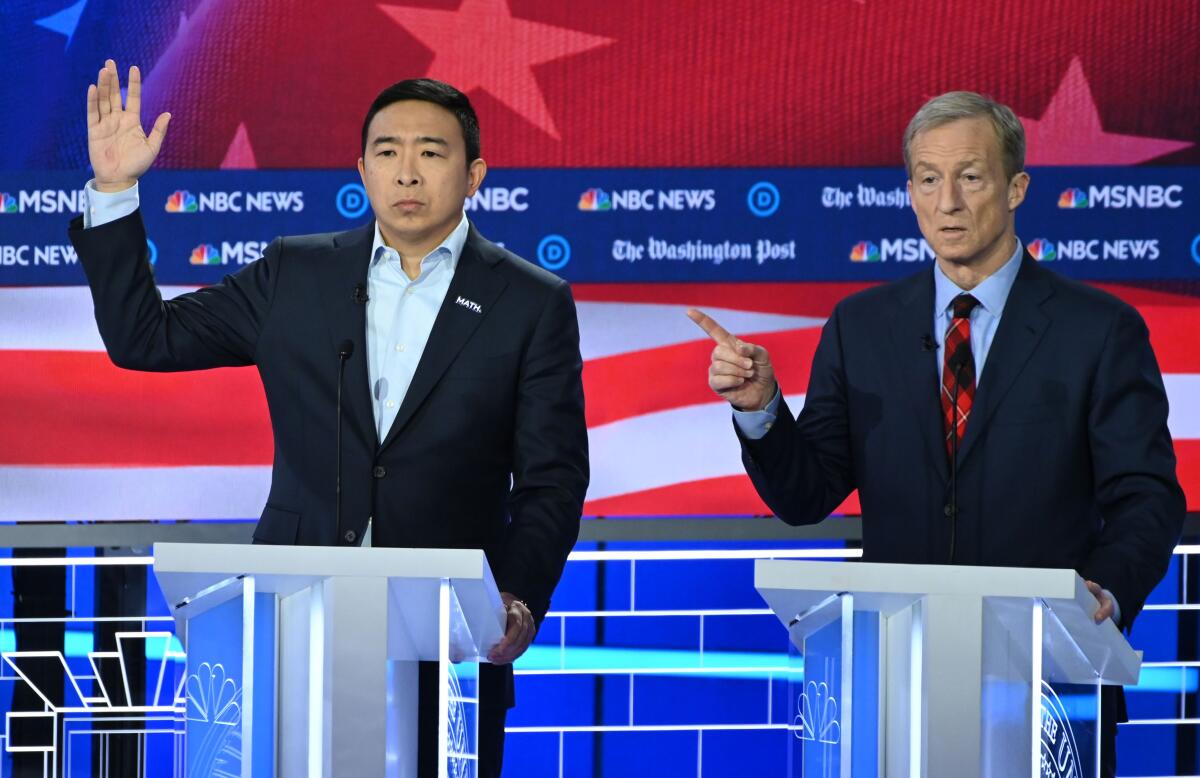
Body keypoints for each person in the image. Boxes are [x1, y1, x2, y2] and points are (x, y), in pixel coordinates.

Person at [70, 60, 589, 777]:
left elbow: (552, 478)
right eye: (387, 152)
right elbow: (142, 338)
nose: (407, 173)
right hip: (291, 620)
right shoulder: (296, 273)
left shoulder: (531, 303)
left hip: (449, 643)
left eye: (431, 154)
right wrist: (116, 192)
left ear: (474, 176)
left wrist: (519, 598)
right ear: (362, 171)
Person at [689, 91, 1184, 776]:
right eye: (928, 178)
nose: (947, 200)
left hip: (1050, 685)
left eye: (970, 177)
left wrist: (1103, 590)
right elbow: (807, 495)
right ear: (911, 191)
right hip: (891, 679)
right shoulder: (861, 327)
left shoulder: (1098, 330)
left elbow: (1147, 497)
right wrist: (761, 407)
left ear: (1016, 188)